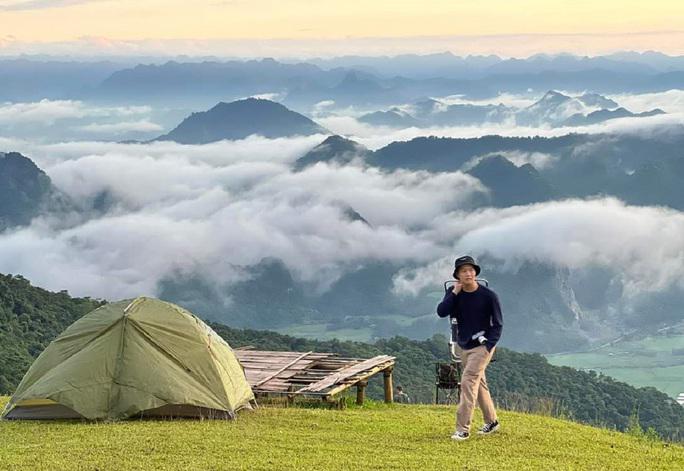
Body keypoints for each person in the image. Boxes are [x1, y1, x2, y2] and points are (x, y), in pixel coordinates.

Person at [437, 255, 503, 441]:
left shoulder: (489, 296)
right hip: (464, 345)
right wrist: (454, 294)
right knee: (479, 383)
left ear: (476, 273)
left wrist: (490, 345)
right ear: (457, 275)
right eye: (464, 271)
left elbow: (498, 323)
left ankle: (462, 429)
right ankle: (492, 421)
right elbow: (442, 312)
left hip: (482, 347)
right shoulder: (453, 293)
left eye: (471, 270)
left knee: (467, 381)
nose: (468, 273)